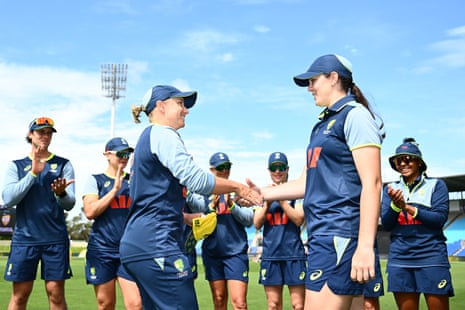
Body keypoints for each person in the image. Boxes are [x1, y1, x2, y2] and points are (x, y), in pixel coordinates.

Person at [250, 54, 384, 309]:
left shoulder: (354, 115)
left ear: (334, 78)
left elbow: (373, 182)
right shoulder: (322, 125)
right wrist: (261, 193)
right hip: (325, 234)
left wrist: (365, 245)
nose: (310, 88)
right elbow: (305, 183)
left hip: (339, 234)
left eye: (313, 80)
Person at [119, 85, 262, 310]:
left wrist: (184, 218)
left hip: (140, 242)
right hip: (156, 243)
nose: (186, 110)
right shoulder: (162, 134)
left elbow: (154, 199)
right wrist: (238, 187)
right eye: (180, 104)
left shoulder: (146, 139)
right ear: (161, 106)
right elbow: (197, 180)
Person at [2, 116, 76, 310]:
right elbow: (9, 199)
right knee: (20, 296)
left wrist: (61, 193)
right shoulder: (16, 165)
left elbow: (69, 204)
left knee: (56, 295)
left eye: (49, 132)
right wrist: (33, 173)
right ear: (30, 135)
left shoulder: (63, 164)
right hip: (25, 239)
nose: (45, 135)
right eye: (40, 131)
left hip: (55, 240)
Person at [381, 138, 454, 309]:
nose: (403, 163)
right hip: (400, 258)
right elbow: (387, 224)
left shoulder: (436, 185)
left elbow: (438, 220)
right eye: (398, 160)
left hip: (432, 257)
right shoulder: (390, 188)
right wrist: (394, 206)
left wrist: (406, 207)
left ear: (419, 162)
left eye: (408, 158)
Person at [82, 137, 142, 310]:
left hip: (129, 250)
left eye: (128, 153)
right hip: (102, 250)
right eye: (121, 153)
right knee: (106, 304)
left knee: (136, 304)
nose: (125, 157)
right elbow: (90, 212)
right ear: (107, 155)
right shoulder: (96, 180)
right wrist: (114, 190)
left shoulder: (136, 181)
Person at [201, 152, 255, 310]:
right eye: (220, 168)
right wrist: (211, 208)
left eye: (227, 166)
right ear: (211, 170)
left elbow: (248, 220)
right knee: (219, 300)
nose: (224, 170)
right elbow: (199, 222)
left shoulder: (238, 190)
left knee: (239, 303)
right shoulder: (204, 192)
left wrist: (232, 205)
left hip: (235, 253)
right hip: (212, 253)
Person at [253, 152, 306, 310]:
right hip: (271, 256)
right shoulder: (263, 193)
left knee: (298, 305)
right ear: (269, 170)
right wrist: (267, 203)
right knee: (273, 305)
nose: (277, 171)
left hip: (294, 254)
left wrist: (280, 199)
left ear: (287, 169)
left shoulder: (297, 192)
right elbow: (256, 223)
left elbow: (298, 219)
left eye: (281, 167)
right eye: (274, 168)